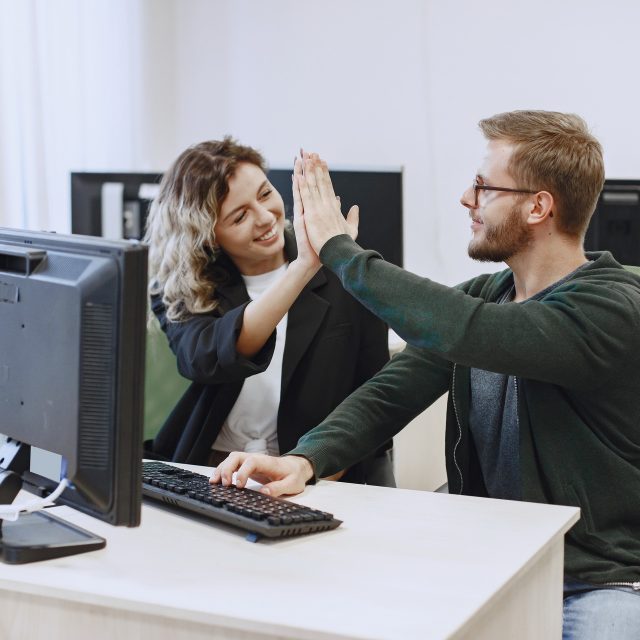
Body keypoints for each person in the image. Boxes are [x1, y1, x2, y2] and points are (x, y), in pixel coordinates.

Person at [212, 112, 640, 639]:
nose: (466, 197)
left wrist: (338, 250)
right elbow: (393, 391)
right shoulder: (490, 295)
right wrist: (306, 458)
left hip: (601, 582)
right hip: (495, 565)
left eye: (483, 186)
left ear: (539, 206)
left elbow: (470, 332)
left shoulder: (612, 307)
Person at [143, 137, 394, 487]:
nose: (265, 218)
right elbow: (205, 357)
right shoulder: (182, 288)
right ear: (209, 235)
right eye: (239, 216)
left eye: (264, 194)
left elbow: (378, 398)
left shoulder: (347, 270)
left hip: (323, 472)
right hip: (214, 470)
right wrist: (302, 268)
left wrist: (318, 469)